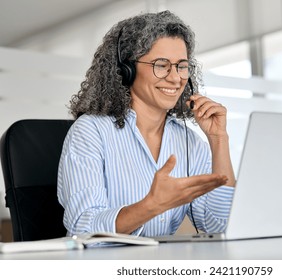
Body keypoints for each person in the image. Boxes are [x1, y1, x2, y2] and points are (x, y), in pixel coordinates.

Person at [57, 10, 235, 237]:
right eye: (161, 65)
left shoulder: (189, 141)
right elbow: (83, 227)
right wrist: (151, 205)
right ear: (127, 70)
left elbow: (219, 227)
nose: (175, 78)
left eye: (181, 66)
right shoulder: (90, 131)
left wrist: (218, 139)